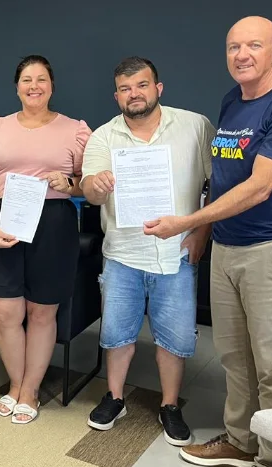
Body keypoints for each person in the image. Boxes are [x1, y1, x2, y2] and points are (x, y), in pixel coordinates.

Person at [143, 17, 272, 467]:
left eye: (254, 46)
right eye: (233, 46)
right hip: (228, 247)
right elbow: (223, 178)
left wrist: (187, 220)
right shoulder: (233, 100)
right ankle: (242, 441)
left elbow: (260, 186)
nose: (242, 54)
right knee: (234, 358)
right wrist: (205, 230)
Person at [81, 56, 215, 445]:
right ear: (116, 95)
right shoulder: (104, 136)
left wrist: (201, 232)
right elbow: (89, 190)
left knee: (173, 338)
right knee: (117, 332)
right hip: (122, 252)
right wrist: (97, 185)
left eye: (141, 85)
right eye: (125, 88)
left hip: (176, 252)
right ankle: (115, 397)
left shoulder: (194, 125)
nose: (133, 94)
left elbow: (216, 183)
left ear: (158, 88)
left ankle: (170, 405)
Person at [0, 55, 91, 424]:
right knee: (5, 311)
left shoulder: (76, 130)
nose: (34, 86)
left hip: (53, 223)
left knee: (42, 311)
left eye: (41, 79)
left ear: (52, 86)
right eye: (26, 79)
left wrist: (70, 184)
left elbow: (92, 184)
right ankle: (15, 382)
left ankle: (30, 390)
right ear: (17, 86)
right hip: (5, 220)